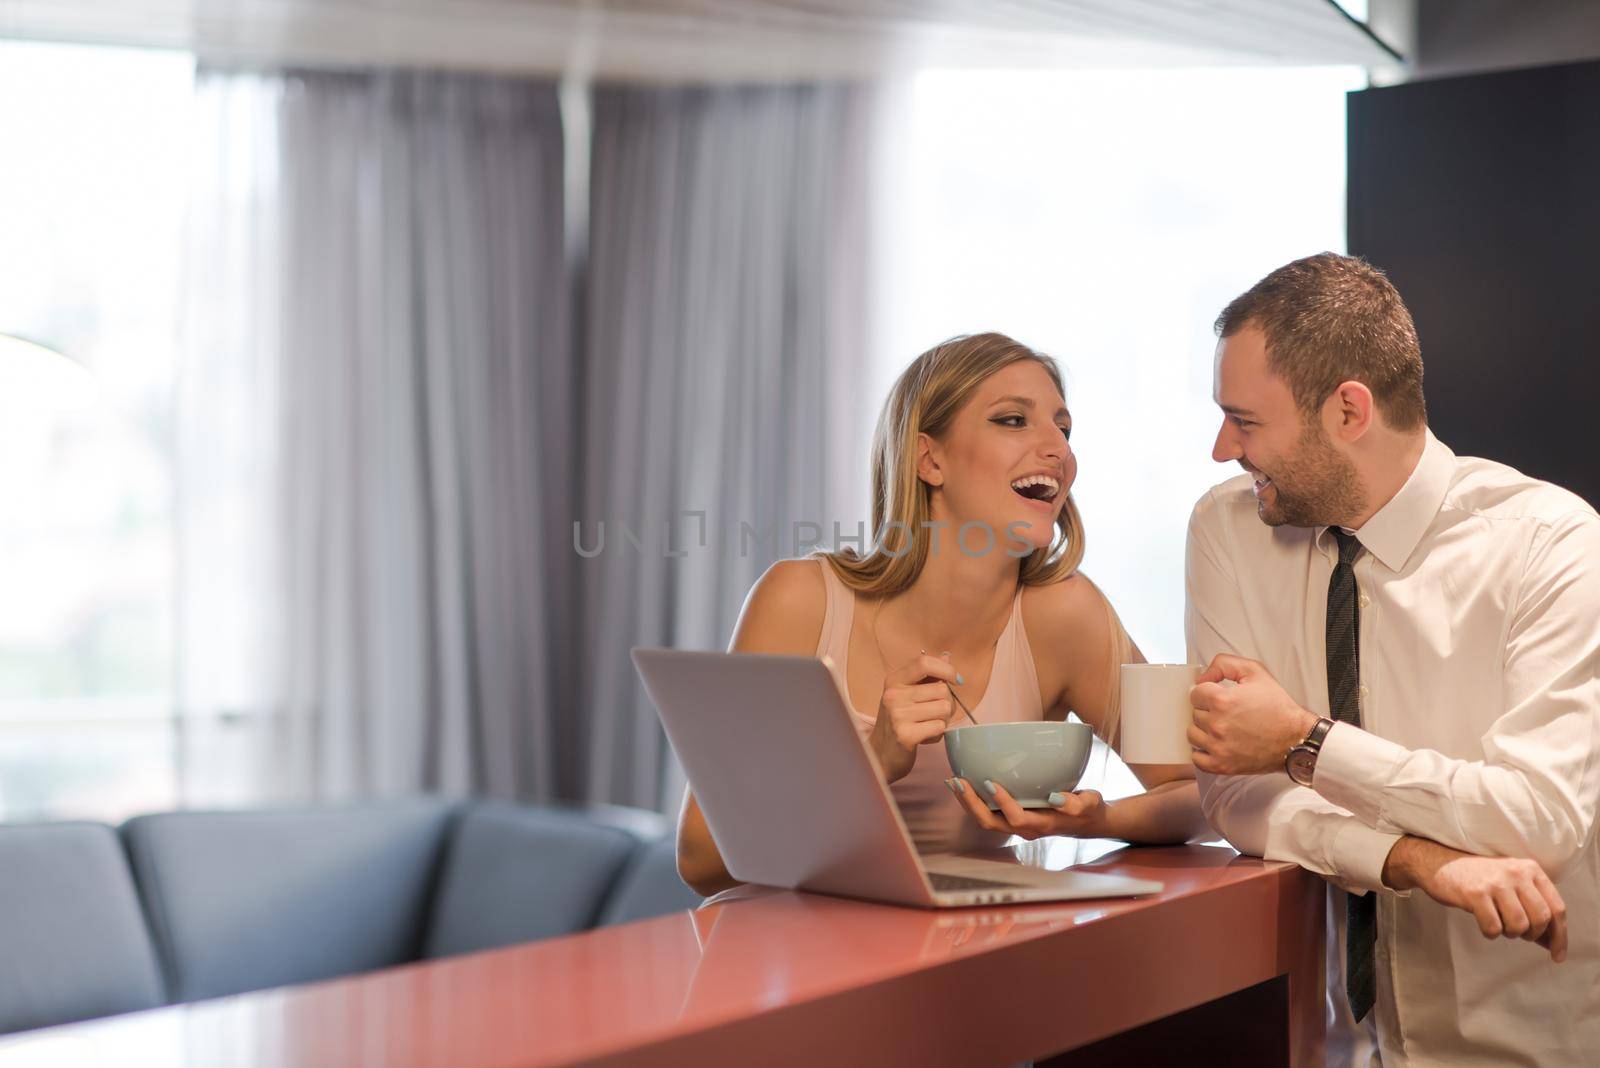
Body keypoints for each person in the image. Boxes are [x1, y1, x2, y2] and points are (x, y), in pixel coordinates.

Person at [1184, 252, 1600, 1066]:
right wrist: (1417, 862)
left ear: (1348, 411)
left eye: (1246, 420)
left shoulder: (1552, 545)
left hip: (1522, 1048)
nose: (1221, 447)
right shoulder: (1227, 530)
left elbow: (1539, 819)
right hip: (1329, 1047)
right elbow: (1232, 789)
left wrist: (1308, 741)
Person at [677, 332, 1210, 897]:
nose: (1059, 449)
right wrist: (873, 762)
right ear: (930, 458)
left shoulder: (1069, 613)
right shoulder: (797, 600)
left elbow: (1204, 798)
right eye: (1013, 420)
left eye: (1064, 428)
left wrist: (1095, 821)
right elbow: (701, 859)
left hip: (958, 962)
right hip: (788, 952)